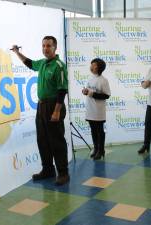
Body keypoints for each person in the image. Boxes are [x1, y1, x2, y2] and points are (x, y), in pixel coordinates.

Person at [11, 36, 70, 185]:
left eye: (49, 46)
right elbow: (29, 64)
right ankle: (48, 169)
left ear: (55, 48)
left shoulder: (59, 66)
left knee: (56, 141)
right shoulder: (43, 63)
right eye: (43, 46)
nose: (45, 48)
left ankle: (63, 173)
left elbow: (62, 90)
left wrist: (56, 111)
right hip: (42, 106)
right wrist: (17, 52)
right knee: (43, 140)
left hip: (54, 106)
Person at [82, 58, 111, 160]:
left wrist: (92, 94)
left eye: (93, 65)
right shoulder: (90, 78)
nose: (91, 66)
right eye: (91, 64)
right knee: (93, 131)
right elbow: (88, 91)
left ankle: (101, 150)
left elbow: (107, 95)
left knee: (99, 131)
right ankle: (95, 149)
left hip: (98, 111)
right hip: (90, 109)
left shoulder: (103, 80)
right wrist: (85, 91)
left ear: (99, 67)